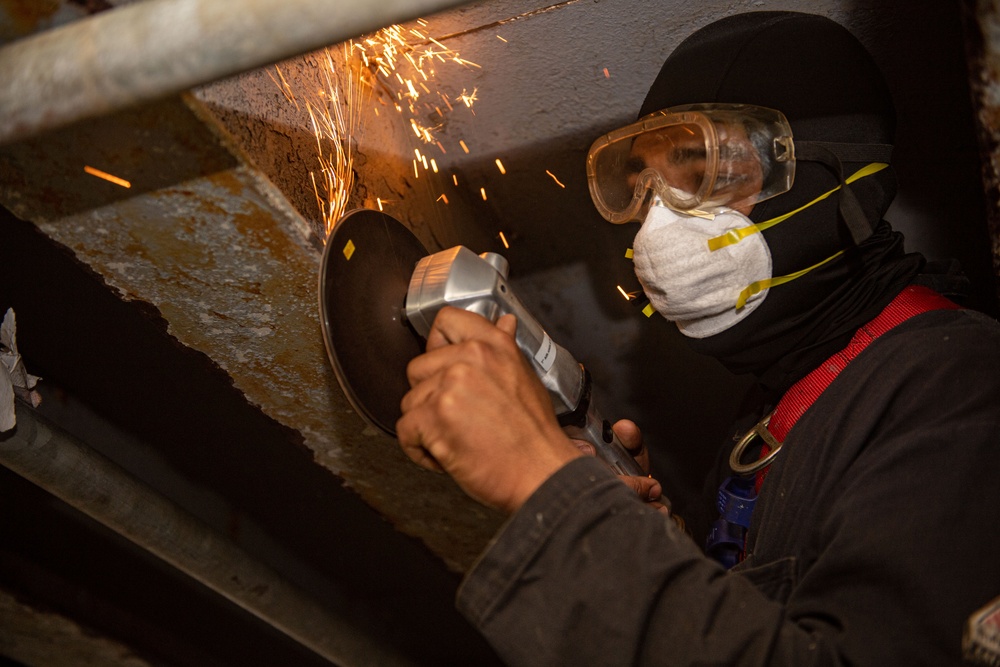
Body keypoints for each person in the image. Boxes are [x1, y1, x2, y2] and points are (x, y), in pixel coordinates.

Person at [395, 12, 1000, 666]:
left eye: (705, 170)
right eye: (646, 187)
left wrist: (545, 486)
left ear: (840, 173)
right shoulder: (769, 424)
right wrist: (639, 538)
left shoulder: (963, 386)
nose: (655, 228)